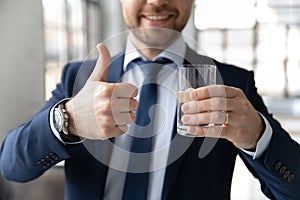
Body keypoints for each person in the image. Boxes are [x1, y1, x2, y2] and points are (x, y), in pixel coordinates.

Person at [0, 0, 299, 199]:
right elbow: (12, 166)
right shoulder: (77, 78)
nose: (156, 1)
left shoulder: (233, 84)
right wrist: (69, 119)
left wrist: (257, 134)